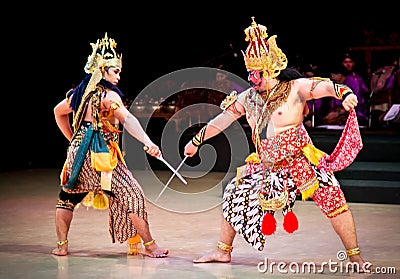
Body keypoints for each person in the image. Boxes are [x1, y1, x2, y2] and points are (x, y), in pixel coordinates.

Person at [184, 17, 368, 269]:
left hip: (300, 161)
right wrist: (197, 140)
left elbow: (327, 86)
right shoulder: (248, 98)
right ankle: (222, 251)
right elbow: (223, 119)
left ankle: (354, 255)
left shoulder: (295, 88)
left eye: (255, 74)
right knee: (233, 194)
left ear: (269, 70)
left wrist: (346, 95)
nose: (251, 79)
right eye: (249, 73)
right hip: (266, 165)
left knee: (334, 200)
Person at [52, 33, 168, 258]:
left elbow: (58, 112)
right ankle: (150, 246)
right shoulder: (108, 95)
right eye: (115, 71)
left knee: (67, 196)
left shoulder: (77, 93)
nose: (118, 76)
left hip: (78, 153)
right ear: (101, 71)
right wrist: (148, 142)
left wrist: (73, 139)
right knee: (132, 194)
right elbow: (128, 119)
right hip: (99, 155)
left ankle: (62, 246)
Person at [327, 53, 370, 126]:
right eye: (345, 62)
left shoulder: (353, 81)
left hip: (355, 114)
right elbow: (333, 103)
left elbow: (356, 103)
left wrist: (339, 113)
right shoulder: (337, 84)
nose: (332, 77)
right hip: (340, 113)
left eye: (350, 62)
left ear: (339, 74)